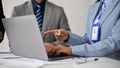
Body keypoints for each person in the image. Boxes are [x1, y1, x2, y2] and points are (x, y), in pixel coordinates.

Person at [44, 0, 120, 57]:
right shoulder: (93, 8)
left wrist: (71, 50)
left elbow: (114, 43)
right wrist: (68, 37)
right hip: (91, 62)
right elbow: (88, 40)